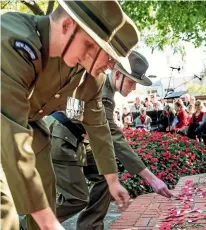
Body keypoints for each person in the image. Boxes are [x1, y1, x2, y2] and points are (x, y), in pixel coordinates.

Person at [1, 1, 133, 230]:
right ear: (67, 26)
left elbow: (98, 125)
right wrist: (50, 224)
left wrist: (112, 181)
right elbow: (9, 131)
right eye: (92, 45)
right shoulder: (12, 38)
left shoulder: (87, 73)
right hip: (7, 126)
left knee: (45, 196)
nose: (108, 66)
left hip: (30, 127)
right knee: (5, 212)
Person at [46, 51, 173, 230]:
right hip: (60, 137)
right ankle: (31, 224)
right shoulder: (102, 92)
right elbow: (114, 138)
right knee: (76, 198)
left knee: (106, 173)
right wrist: (151, 179)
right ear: (117, 74)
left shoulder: (106, 89)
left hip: (74, 137)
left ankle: (90, 226)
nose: (133, 88)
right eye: (131, 81)